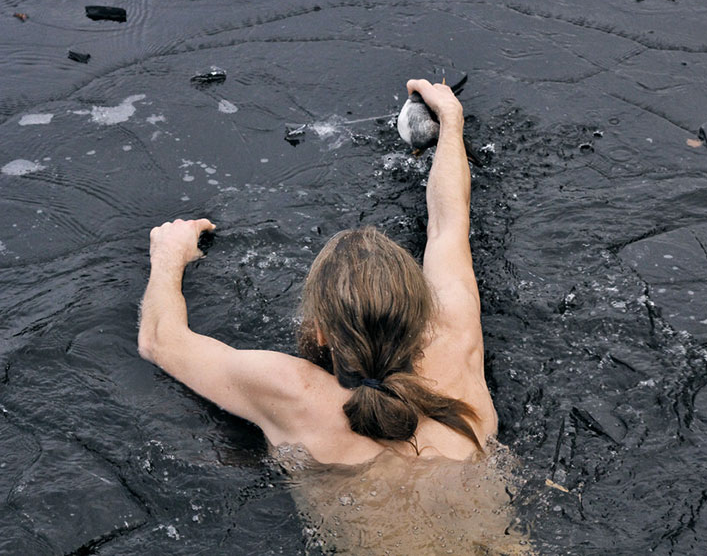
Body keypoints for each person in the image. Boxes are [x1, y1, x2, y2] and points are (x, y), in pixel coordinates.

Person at [138, 80, 530, 554]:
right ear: (421, 312)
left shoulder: (294, 393)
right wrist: (450, 122)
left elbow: (161, 340)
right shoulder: (457, 340)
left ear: (321, 331)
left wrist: (167, 256)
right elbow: (450, 221)